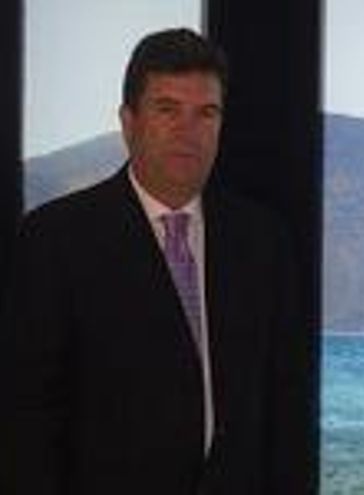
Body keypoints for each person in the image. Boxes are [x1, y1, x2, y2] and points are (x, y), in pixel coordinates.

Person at [0, 28, 298, 494]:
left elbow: (284, 410)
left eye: (206, 113)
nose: (187, 131)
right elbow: (26, 419)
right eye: (167, 109)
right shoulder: (56, 240)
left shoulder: (263, 243)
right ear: (128, 121)